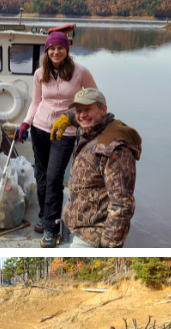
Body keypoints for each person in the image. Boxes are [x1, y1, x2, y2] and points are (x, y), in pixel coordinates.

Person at [17, 30, 98, 248]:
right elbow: (35, 102)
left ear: (67, 49)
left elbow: (94, 100)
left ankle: (52, 228)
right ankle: (45, 216)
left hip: (65, 132)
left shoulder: (80, 72)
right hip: (40, 128)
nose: (56, 52)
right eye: (52, 48)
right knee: (41, 175)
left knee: (54, 178)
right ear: (47, 50)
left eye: (60, 48)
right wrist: (26, 123)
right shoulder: (40, 73)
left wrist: (75, 118)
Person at [60, 88, 142, 248]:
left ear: (103, 109)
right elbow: (86, 119)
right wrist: (70, 118)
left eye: (88, 109)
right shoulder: (96, 130)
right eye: (78, 111)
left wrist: (108, 246)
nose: (82, 115)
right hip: (82, 229)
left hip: (94, 238)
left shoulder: (113, 149)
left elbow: (122, 204)